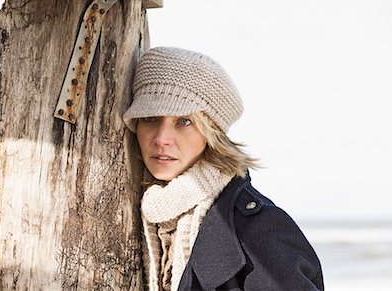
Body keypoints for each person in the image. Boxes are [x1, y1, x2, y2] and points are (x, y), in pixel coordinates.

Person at [123, 47, 324, 291]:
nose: (162, 138)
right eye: (150, 118)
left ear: (211, 133)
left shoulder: (260, 227)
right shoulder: (152, 218)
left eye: (184, 122)